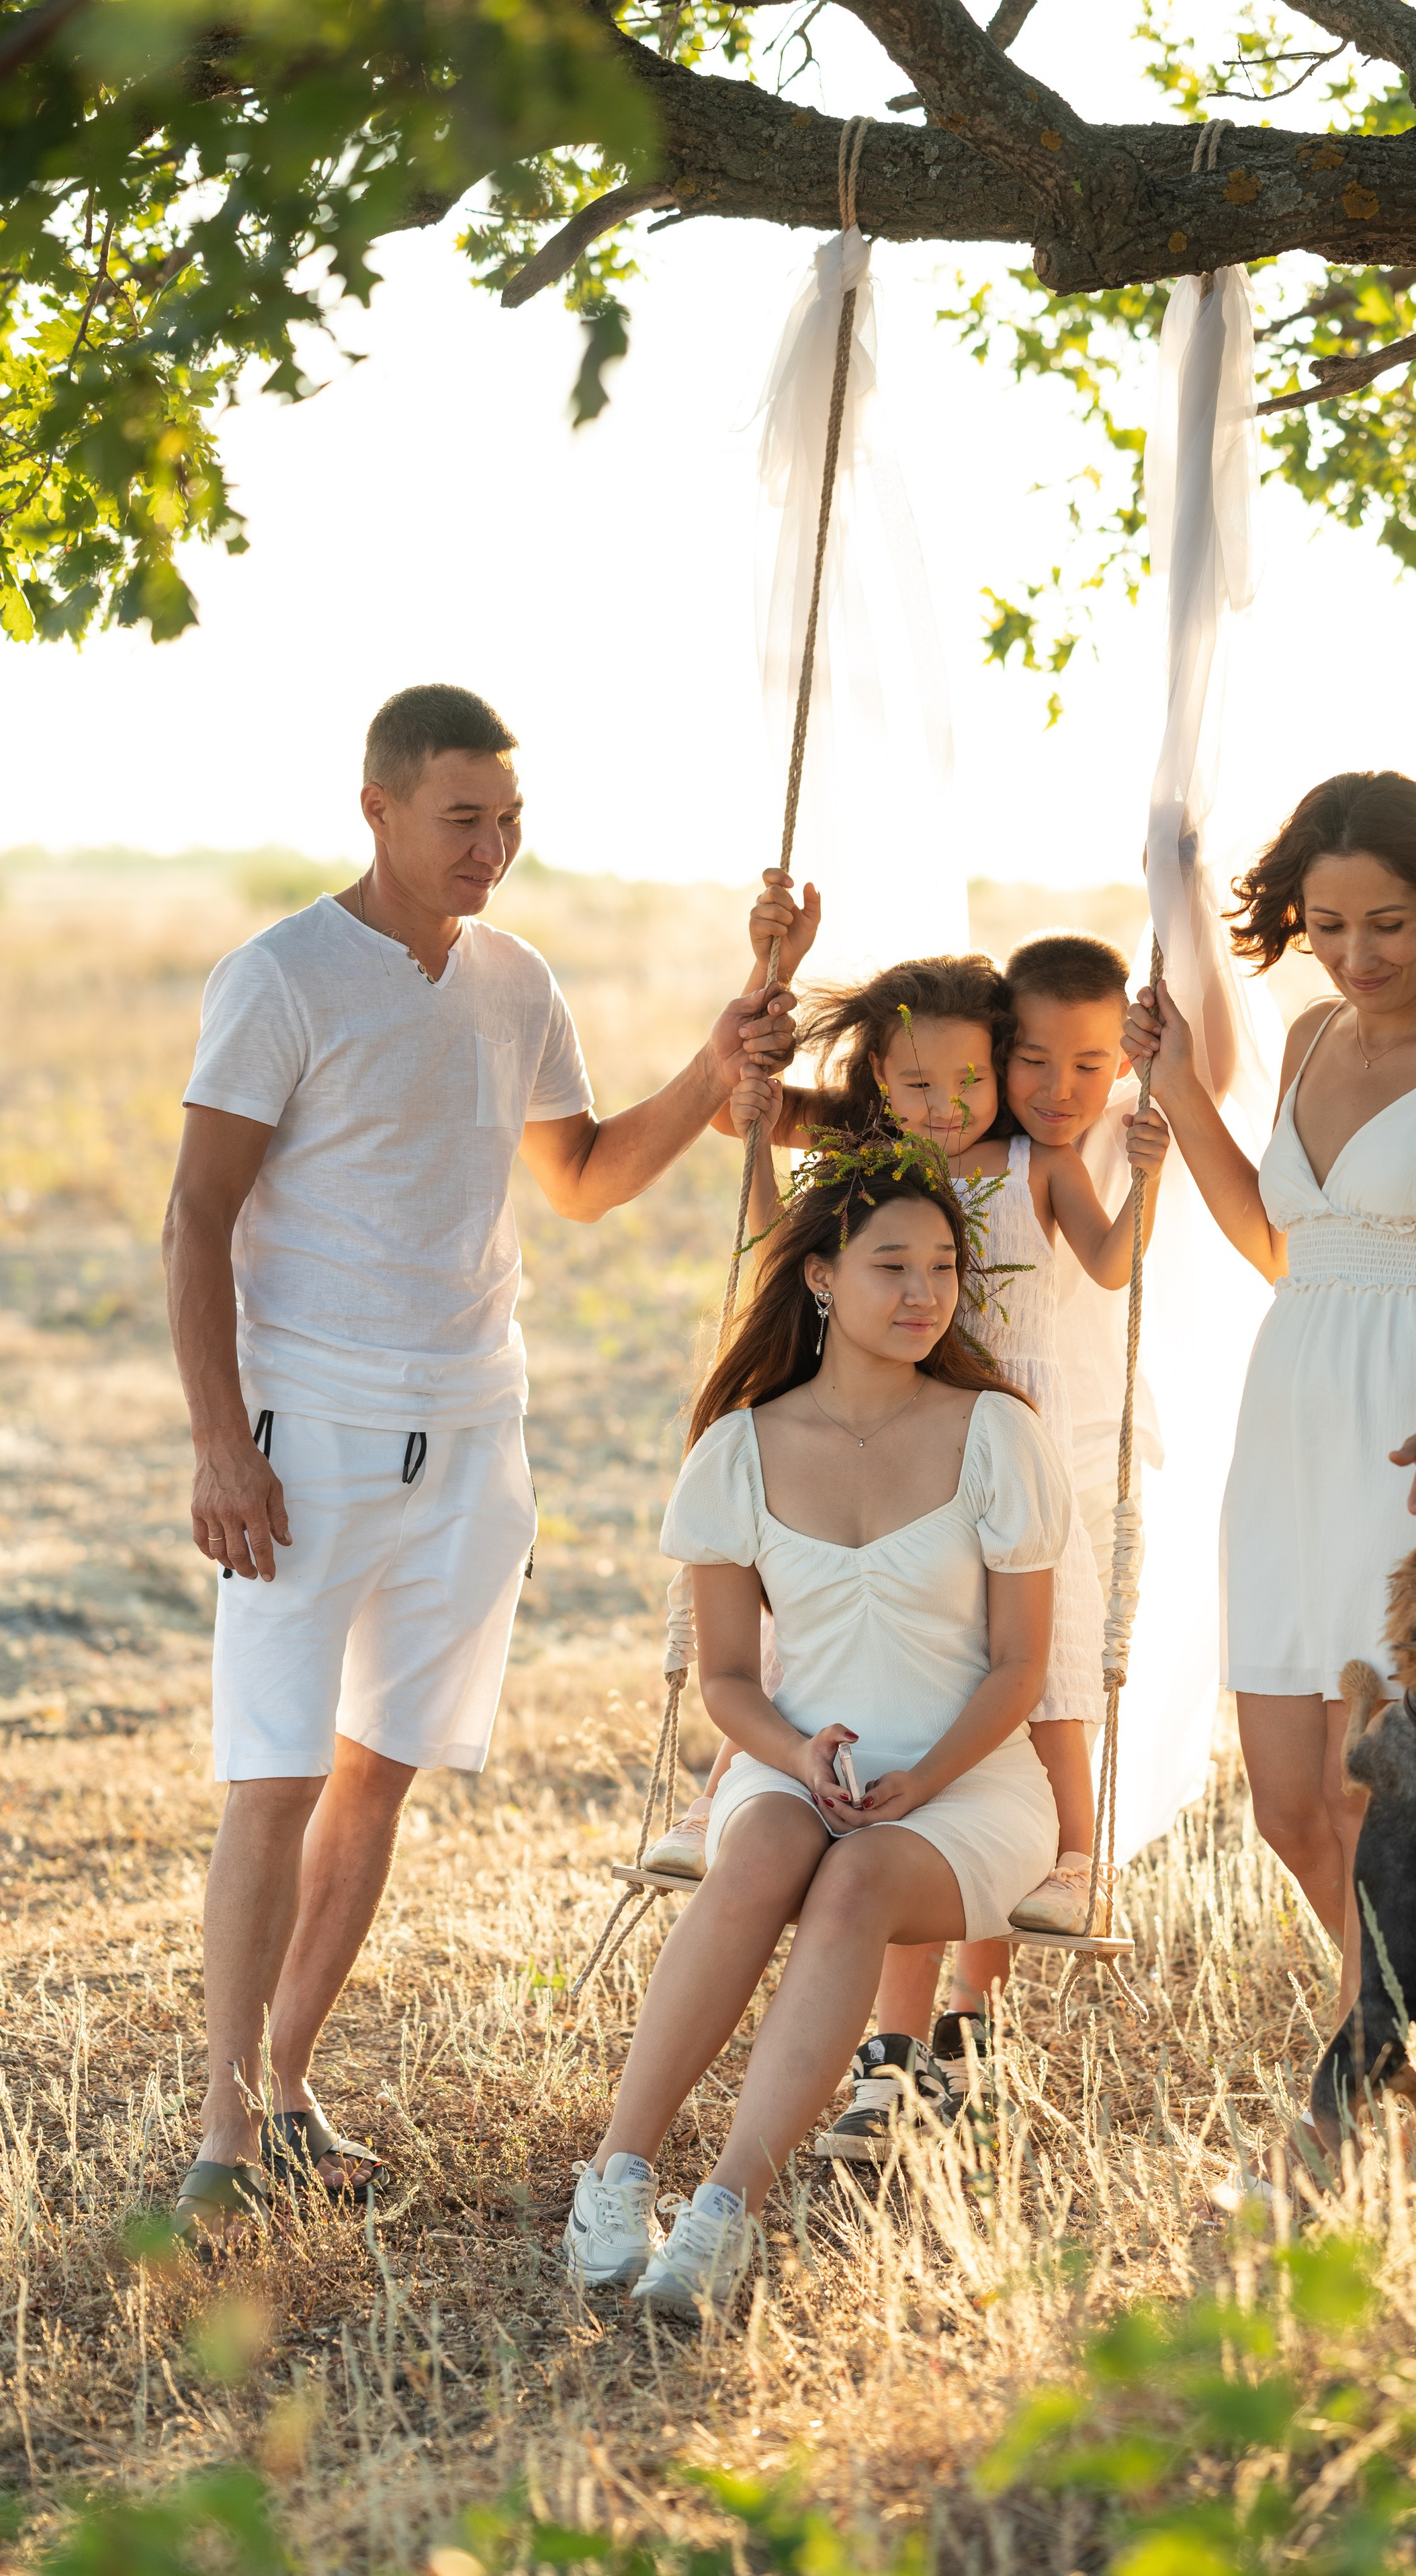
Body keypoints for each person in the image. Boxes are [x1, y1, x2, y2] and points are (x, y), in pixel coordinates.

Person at [160, 682, 792, 2243]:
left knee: (376, 1774)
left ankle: (287, 2090)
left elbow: (579, 1177)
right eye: (462, 820)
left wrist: (712, 1065)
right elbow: (195, 1217)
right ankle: (222, 2135)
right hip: (305, 1435)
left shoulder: (517, 980)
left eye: (509, 822)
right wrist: (221, 1444)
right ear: (376, 808)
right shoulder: (281, 975)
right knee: (274, 1778)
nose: (490, 850)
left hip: (474, 1434)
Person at [1126, 770, 1416, 2058]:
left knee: (1374, 1799)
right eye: (1326, 926)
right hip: (1287, 1435)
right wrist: (1179, 1091)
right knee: (1289, 1809)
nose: (1354, 955)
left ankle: (1366, 2085)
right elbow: (1286, 1250)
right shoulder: (1311, 1041)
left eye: (1385, 923)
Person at [564, 1145, 1073, 2314]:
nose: (924, 1292)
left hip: (967, 1782)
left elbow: (1021, 1668)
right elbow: (728, 1680)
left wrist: (921, 1778)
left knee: (857, 1885)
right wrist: (795, 1755)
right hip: (794, 1761)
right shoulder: (738, 1449)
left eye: (943, 1266)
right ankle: (616, 2175)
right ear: (823, 1279)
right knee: (764, 1852)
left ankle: (725, 2209)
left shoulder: (997, 1433)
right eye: (892, 1265)